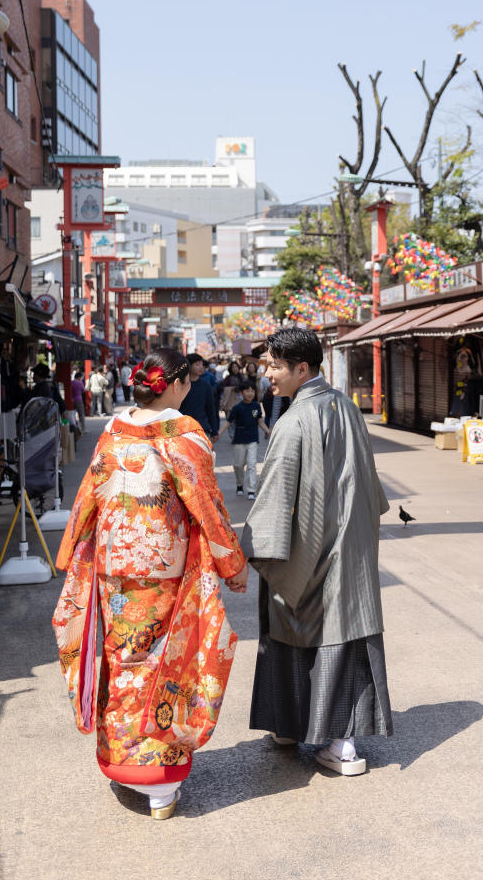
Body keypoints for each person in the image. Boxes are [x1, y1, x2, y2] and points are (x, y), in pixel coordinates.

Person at [52, 348, 248, 819]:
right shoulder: (185, 436)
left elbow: (88, 498)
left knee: (122, 660)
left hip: (114, 570)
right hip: (167, 568)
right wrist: (231, 563)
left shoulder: (112, 434)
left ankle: (122, 762)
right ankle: (159, 782)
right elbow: (207, 504)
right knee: (168, 663)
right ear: (177, 383)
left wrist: (69, 552)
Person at [241, 328, 393, 777]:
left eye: (273, 366)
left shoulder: (294, 420)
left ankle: (337, 744)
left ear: (301, 369)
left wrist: (255, 547)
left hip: (310, 545)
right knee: (344, 630)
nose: (266, 373)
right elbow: (367, 479)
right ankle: (309, 731)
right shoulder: (345, 406)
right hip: (350, 541)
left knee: (296, 621)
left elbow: (274, 498)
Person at [213, 382, 269, 499]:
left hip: (253, 439)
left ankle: (251, 490)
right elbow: (228, 422)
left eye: (252, 391)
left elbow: (260, 422)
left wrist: (268, 431)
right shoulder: (237, 408)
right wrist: (218, 434)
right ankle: (239, 485)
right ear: (241, 393)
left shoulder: (256, 406)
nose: (250, 393)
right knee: (238, 465)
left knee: (252, 465)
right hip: (239, 440)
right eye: (247, 391)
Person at [179, 353, 218, 436]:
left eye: (202, 364)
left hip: (202, 428)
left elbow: (210, 408)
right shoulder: (180, 385)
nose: (201, 367)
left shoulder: (206, 384)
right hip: (184, 428)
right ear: (189, 366)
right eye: (197, 365)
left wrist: (214, 431)